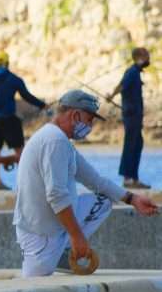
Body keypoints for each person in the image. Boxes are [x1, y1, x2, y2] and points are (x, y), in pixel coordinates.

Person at [14, 89, 158, 278]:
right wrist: (77, 237)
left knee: (103, 202)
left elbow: (96, 180)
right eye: (89, 120)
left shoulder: (63, 142)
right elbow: (56, 195)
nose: (90, 126)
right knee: (33, 289)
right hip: (41, 234)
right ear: (74, 114)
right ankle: (60, 250)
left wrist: (133, 199)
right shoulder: (54, 141)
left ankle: (63, 250)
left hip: (55, 227)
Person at [0, 51, 46, 190]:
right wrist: (42, 105)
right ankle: (25, 185)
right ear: (7, 62)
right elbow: (26, 96)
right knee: (20, 152)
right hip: (10, 119)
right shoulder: (13, 79)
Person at [107, 47, 151, 189]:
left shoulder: (136, 73)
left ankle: (133, 178)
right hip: (131, 115)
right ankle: (128, 179)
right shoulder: (132, 72)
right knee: (131, 144)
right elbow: (122, 85)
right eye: (146, 56)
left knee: (137, 143)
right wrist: (112, 96)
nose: (148, 59)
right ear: (139, 57)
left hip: (135, 115)